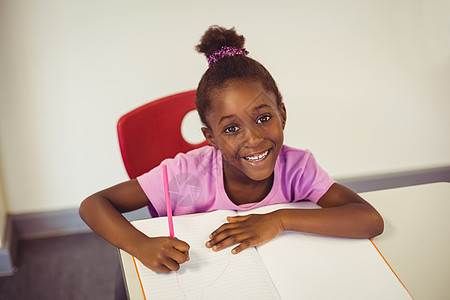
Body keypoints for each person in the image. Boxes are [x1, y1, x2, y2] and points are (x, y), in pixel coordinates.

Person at [79, 25, 383, 274]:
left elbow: (369, 219)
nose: (253, 138)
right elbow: (95, 204)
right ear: (210, 138)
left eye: (264, 118)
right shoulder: (185, 176)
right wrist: (140, 245)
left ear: (283, 114)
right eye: (231, 128)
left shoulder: (297, 168)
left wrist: (280, 219)